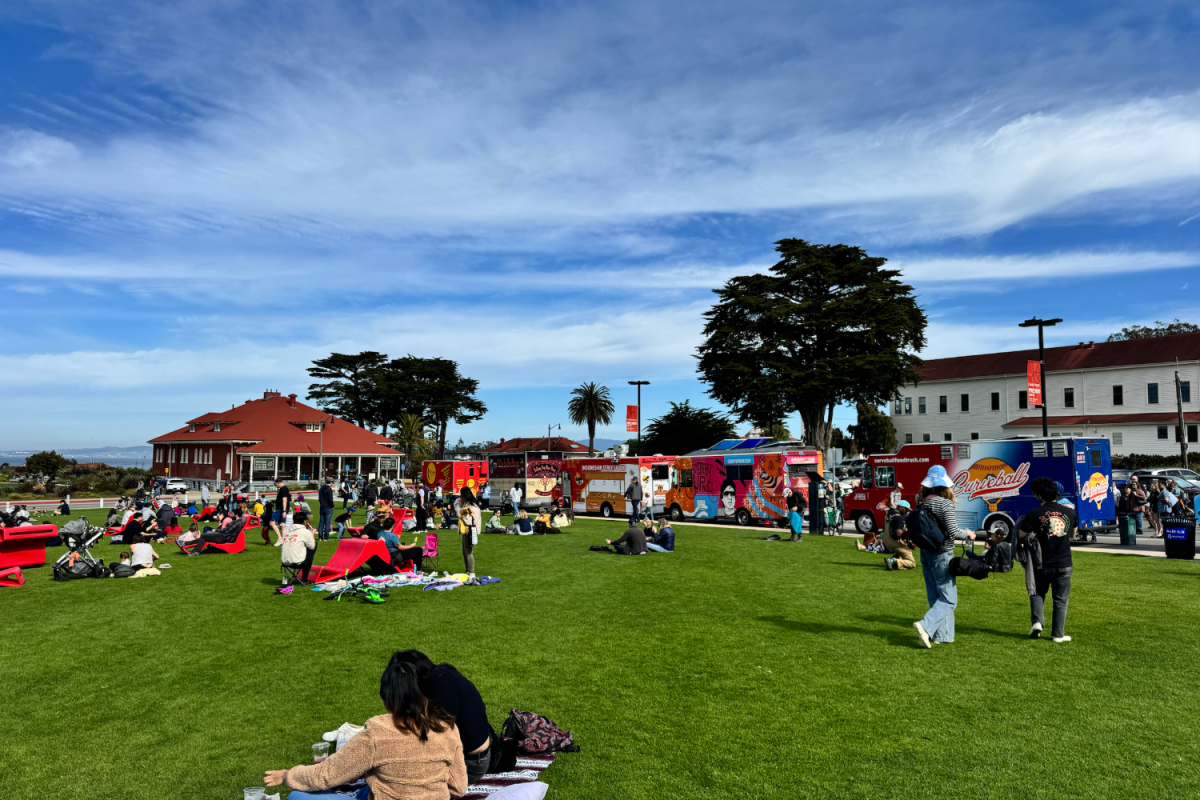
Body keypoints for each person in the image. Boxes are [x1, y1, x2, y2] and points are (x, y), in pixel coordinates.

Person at [263, 659, 467, 800]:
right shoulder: (447, 727)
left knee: (297, 796)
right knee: (367, 788)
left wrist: (287, 775)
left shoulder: (377, 733)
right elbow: (459, 786)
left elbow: (325, 775)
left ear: (387, 700)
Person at [391, 651, 492, 785]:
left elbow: (444, 739)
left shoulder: (441, 683)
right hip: (476, 754)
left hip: (472, 764)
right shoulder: (442, 675)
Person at [912, 465, 975, 648]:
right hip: (942, 553)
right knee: (948, 599)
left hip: (926, 552)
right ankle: (925, 625)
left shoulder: (920, 500)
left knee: (935, 596)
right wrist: (969, 534)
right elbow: (953, 531)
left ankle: (943, 636)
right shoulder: (944, 503)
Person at [1018, 476, 1076, 642]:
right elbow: (1073, 533)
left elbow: (1022, 535)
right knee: (1060, 600)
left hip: (1041, 563)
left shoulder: (1034, 513)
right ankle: (1058, 634)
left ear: (1038, 495)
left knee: (1037, 593)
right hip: (1064, 562)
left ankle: (1037, 622)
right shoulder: (1069, 512)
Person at [278, 508, 318, 584]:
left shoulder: (287, 532)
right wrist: (312, 534)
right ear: (304, 521)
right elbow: (312, 546)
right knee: (314, 545)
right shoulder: (305, 532)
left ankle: (303, 576)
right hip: (298, 562)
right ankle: (305, 577)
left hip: (285, 561)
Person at [883, 501, 915, 570]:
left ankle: (896, 557)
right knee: (912, 563)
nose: (906, 511)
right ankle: (894, 561)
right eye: (906, 509)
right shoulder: (898, 517)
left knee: (903, 554)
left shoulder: (889, 514)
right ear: (900, 507)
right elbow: (898, 533)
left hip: (887, 541)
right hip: (895, 543)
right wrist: (909, 537)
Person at [457, 488, 481, 576]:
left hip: (470, 531)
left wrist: (461, 516)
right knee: (464, 552)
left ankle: (471, 572)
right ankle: (467, 570)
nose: (461, 498)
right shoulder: (466, 504)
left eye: (462, 496)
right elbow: (456, 505)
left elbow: (472, 520)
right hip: (465, 531)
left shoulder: (472, 507)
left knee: (468, 552)